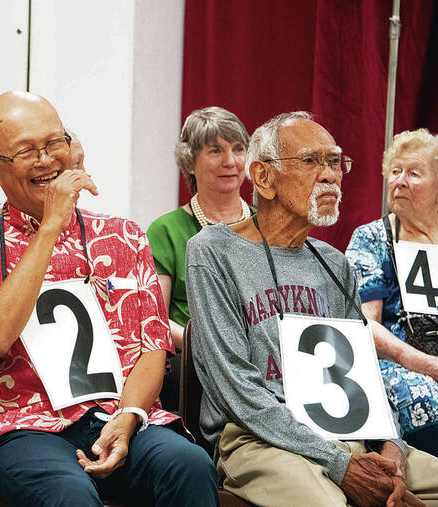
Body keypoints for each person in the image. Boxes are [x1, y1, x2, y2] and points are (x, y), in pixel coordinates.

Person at [0, 91, 218, 507]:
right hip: (19, 427)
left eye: (56, 143)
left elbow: (152, 347)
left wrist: (128, 419)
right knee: (67, 493)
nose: (47, 159)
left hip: (120, 415)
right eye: (26, 151)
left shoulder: (123, 234)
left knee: (190, 464)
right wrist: (50, 225)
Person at [187, 111, 438, 506]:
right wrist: (340, 465)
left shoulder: (335, 264)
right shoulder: (212, 251)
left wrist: (392, 446)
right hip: (257, 440)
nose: (330, 175)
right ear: (265, 178)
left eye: (335, 162)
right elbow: (234, 386)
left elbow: (367, 374)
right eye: (311, 161)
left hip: (347, 434)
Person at [147, 107, 251, 411]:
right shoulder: (165, 230)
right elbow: (157, 320)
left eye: (238, 149)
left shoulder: (267, 225)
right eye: (215, 150)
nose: (230, 161)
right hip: (195, 363)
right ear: (190, 162)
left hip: (262, 359)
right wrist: (212, 348)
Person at [346, 129, 438, 456]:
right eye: (395, 171)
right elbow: (363, 326)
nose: (399, 181)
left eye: (413, 173)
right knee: (426, 399)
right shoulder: (371, 239)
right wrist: (424, 363)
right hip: (399, 365)